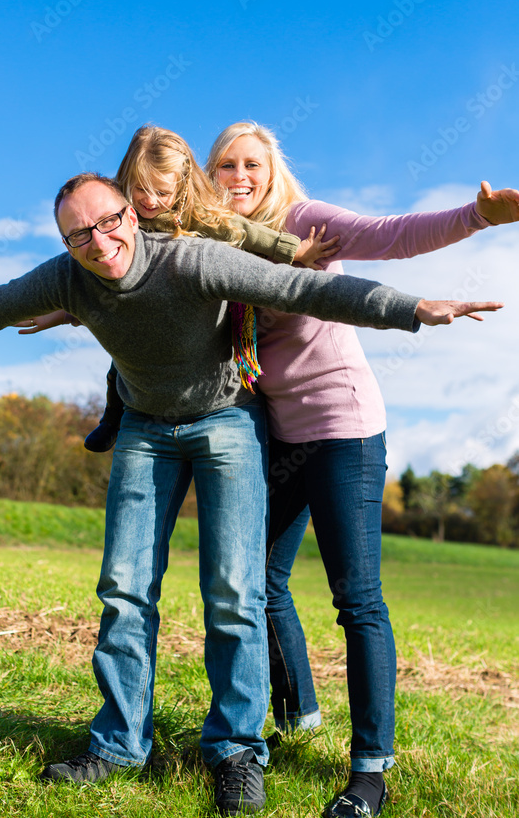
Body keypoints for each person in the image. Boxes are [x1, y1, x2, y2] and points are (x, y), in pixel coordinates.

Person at [0, 173, 502, 817]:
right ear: (66, 243)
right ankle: (116, 746)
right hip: (145, 427)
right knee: (124, 589)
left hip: (224, 420)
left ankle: (237, 753)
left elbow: (302, 287)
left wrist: (411, 309)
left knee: (234, 591)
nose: (98, 240)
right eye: (79, 233)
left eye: (108, 221)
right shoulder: (67, 277)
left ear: (132, 216)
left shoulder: (190, 257)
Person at [206, 120, 518, 818]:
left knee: (357, 600)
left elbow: (392, 233)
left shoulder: (305, 221)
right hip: (278, 431)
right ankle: (298, 713)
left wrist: (478, 217)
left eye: (251, 163)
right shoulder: (213, 244)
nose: (239, 177)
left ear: (272, 171)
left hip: (342, 425)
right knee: (253, 580)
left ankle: (370, 769)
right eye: (225, 165)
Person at [19, 125, 339, 452]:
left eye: (162, 191)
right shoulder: (120, 222)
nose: (150, 200)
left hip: (191, 317)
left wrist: (295, 251)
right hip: (140, 316)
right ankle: (113, 416)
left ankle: (226, 407)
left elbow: (246, 233)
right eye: (141, 188)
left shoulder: (198, 217)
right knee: (124, 357)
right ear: (128, 180)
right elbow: (87, 276)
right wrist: (58, 313)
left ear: (181, 185)